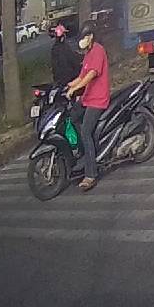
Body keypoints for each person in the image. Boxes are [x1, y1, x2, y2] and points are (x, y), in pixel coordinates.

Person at [64, 25, 110, 191]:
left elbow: (91, 75)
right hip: (87, 98)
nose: (82, 41)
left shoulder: (98, 51)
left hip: (98, 100)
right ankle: (86, 152)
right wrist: (66, 86)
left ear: (90, 36)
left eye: (84, 37)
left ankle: (91, 174)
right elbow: (81, 76)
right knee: (72, 117)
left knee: (85, 131)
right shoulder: (88, 54)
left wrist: (75, 89)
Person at [50, 19, 81, 86]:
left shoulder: (54, 49)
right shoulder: (65, 47)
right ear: (63, 36)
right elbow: (74, 61)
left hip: (58, 80)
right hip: (69, 79)